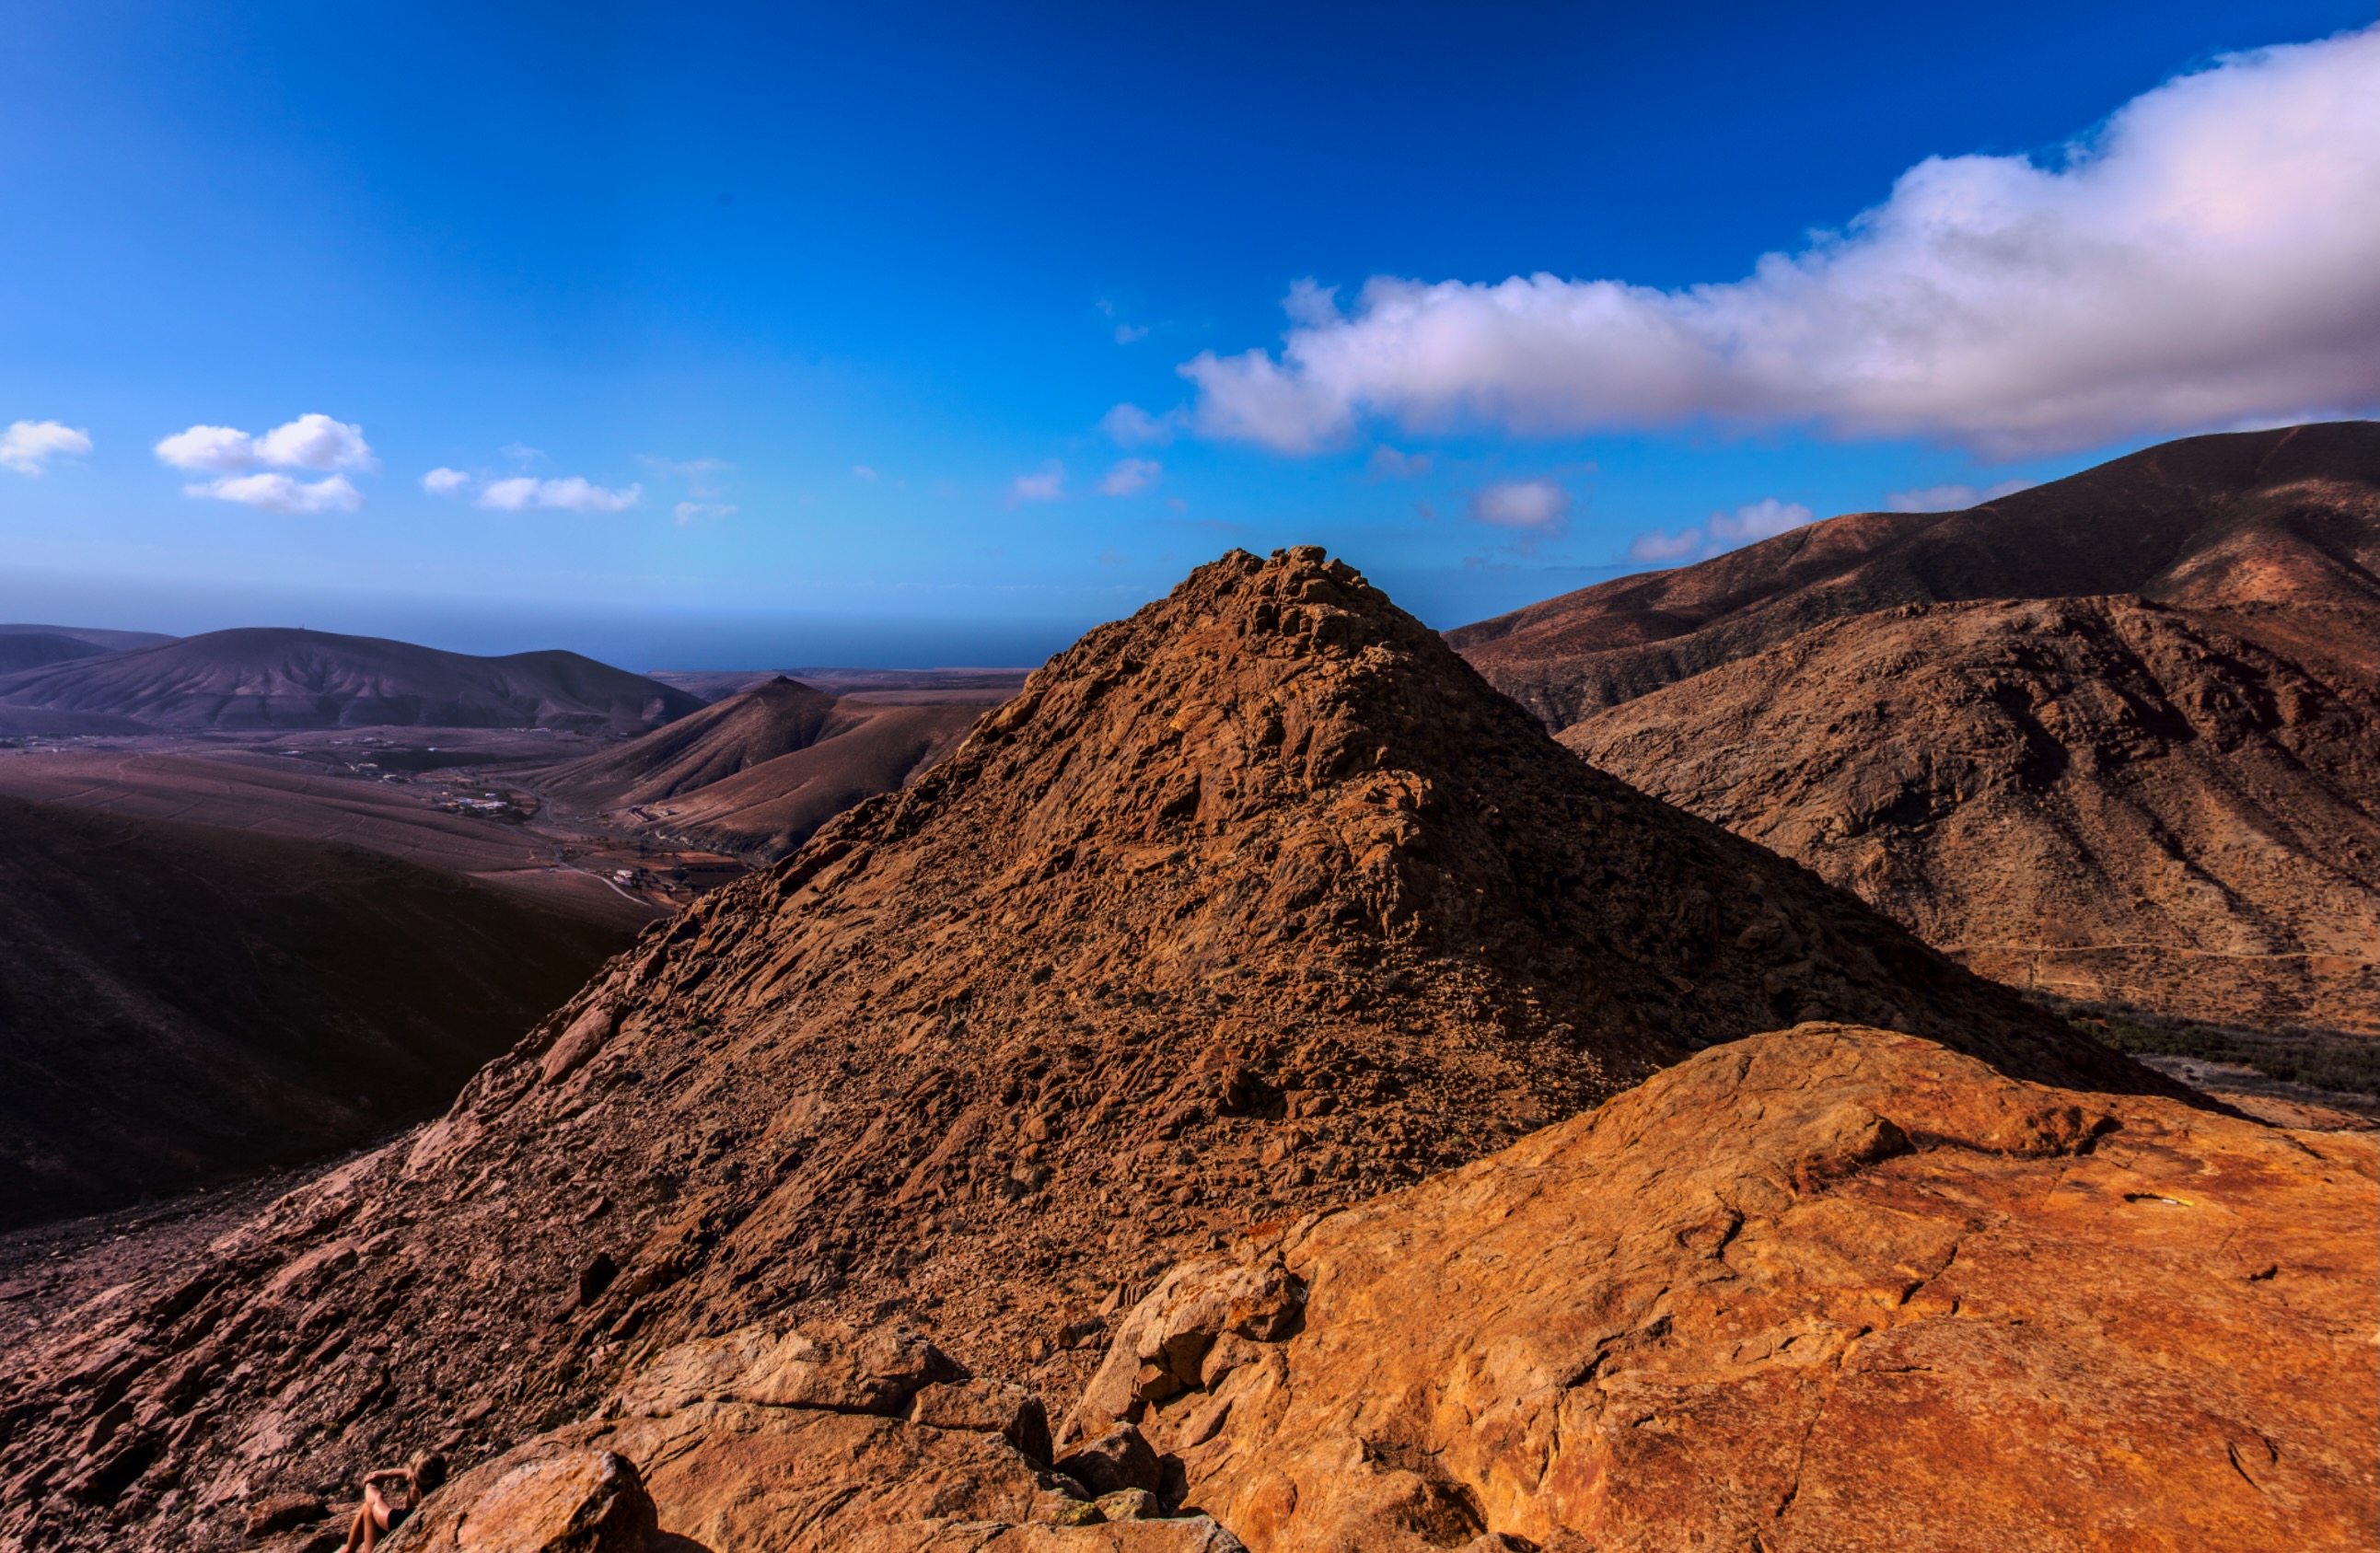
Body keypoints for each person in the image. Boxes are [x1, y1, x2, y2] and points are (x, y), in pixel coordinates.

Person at [340, 1451, 446, 1552]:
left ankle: (347, 1550)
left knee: (368, 1508)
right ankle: (348, 1550)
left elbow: (374, 1502)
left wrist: (370, 1484)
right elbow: (412, 1475)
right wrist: (387, 1473)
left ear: (415, 1482)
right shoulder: (442, 1495)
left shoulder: (403, 1517)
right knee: (368, 1509)